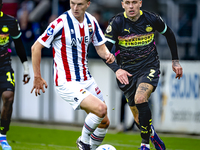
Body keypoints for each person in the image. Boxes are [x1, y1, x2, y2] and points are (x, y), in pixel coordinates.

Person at [30, 0, 115, 150]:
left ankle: (91, 148)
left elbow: (100, 47)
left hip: (86, 79)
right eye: (72, 3)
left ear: (88, 4)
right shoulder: (60, 23)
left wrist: (108, 55)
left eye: (80, 4)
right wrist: (37, 76)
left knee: (104, 122)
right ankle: (83, 142)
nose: (75, 8)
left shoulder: (91, 21)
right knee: (100, 109)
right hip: (66, 81)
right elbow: (36, 47)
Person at [104, 0, 183, 150]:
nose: (131, 6)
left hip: (149, 66)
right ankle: (151, 133)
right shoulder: (117, 23)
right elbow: (103, 50)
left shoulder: (151, 18)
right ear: (122, 4)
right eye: (127, 2)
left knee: (140, 98)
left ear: (140, 3)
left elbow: (169, 34)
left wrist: (176, 61)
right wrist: (116, 69)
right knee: (139, 119)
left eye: (134, 2)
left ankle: (144, 145)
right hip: (126, 71)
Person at [0, 0, 30, 150]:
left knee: (8, 96)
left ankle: (2, 136)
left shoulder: (10, 22)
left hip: (4, 67)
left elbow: (18, 44)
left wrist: (26, 67)